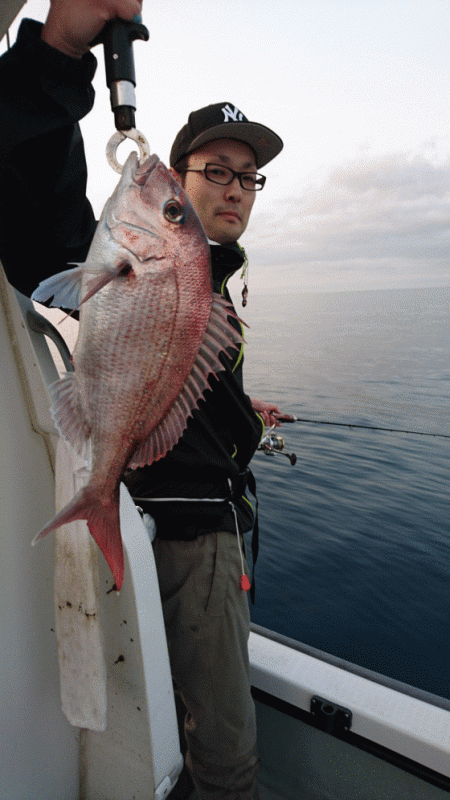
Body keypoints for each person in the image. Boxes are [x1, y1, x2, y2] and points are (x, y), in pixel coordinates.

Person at [0, 3, 284, 798]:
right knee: (225, 754)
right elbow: (39, 220)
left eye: (248, 176)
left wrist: (247, 412)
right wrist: (60, 51)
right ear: (181, 178)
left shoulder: (214, 284)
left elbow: (181, 385)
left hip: (182, 513)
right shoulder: (135, 258)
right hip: (182, 528)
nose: (235, 189)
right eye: (216, 171)